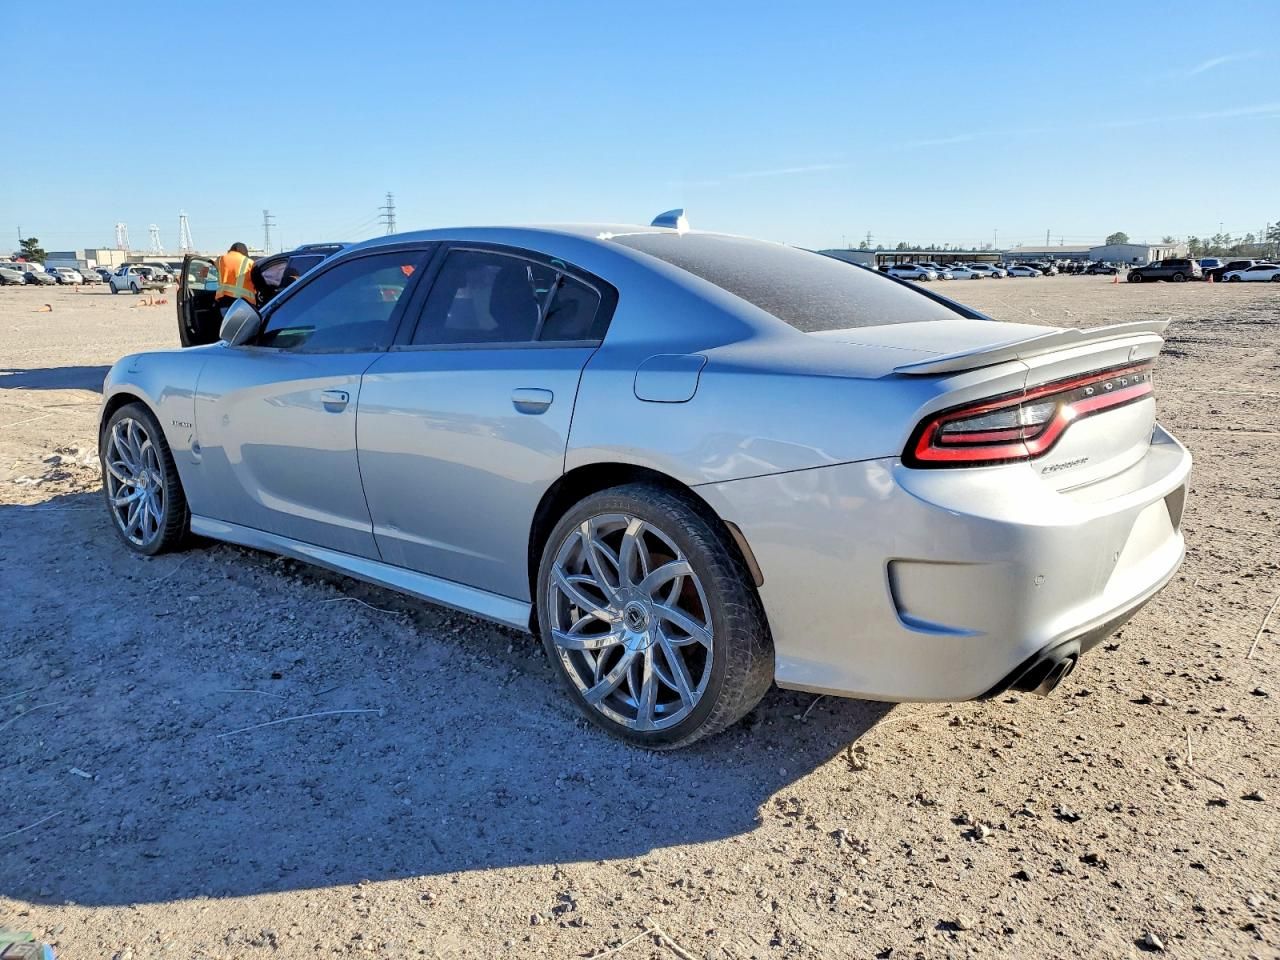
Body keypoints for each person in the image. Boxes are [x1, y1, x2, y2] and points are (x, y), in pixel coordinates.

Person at [215, 242, 256, 316]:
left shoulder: (220, 260)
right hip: (243, 304)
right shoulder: (249, 262)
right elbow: (258, 281)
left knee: (226, 326)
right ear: (242, 251)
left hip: (223, 302)